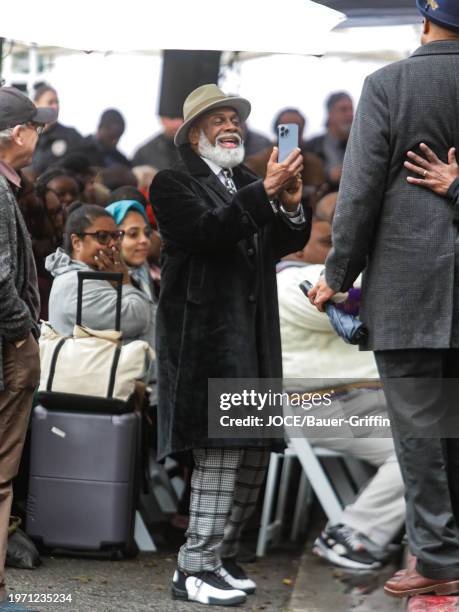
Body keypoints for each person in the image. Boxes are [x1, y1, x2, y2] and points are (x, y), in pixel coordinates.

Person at [309, 1, 459, 599]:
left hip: (407, 288)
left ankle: (440, 557)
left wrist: (337, 272)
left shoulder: (388, 84)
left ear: (424, 22)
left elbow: (361, 190)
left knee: (419, 432)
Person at [150, 83, 310, 607]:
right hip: (205, 338)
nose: (231, 126)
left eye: (235, 118)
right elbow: (207, 231)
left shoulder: (246, 179)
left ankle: (219, 556)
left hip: (252, 335)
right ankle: (192, 567)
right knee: (219, 452)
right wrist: (264, 194)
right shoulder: (173, 183)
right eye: (218, 119)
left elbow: (284, 242)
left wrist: (288, 205)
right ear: (194, 134)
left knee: (253, 453)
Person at [277, 212, 405, 571]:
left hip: (347, 401)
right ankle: (352, 535)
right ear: (297, 250)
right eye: (327, 243)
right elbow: (354, 298)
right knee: (421, 446)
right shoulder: (290, 282)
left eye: (342, 242)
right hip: (311, 407)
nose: (338, 251)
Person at [0, 86, 57, 609]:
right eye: (35, 127)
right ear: (18, 133)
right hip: (6, 348)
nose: (39, 135)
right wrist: (23, 333)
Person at [46, 204, 151, 341]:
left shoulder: (98, 275)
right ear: (77, 242)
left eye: (116, 235)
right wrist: (124, 281)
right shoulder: (76, 284)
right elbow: (138, 319)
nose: (113, 244)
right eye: (102, 237)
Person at [245, 108, 326, 205]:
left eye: (297, 130)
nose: (292, 136)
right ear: (277, 131)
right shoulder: (255, 164)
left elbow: (317, 201)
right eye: (286, 131)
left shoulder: (314, 164)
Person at [305, 92, 354, 189]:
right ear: (330, 114)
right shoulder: (313, 146)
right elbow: (306, 182)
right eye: (343, 110)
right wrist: (328, 176)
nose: (350, 115)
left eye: (351, 109)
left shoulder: (361, 144)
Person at [31, 84, 83, 174]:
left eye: (57, 102)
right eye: (50, 102)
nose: (55, 107)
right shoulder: (26, 135)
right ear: (36, 105)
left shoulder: (71, 136)